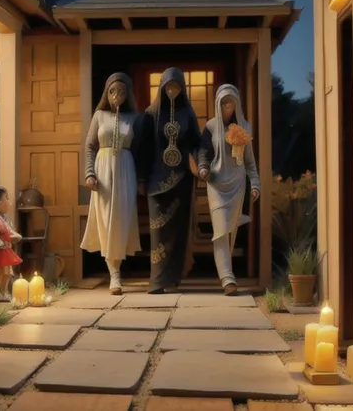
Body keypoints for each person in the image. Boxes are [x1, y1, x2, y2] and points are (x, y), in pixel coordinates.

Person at [143, 67, 206, 294]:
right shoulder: (151, 114)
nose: (172, 91)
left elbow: (198, 143)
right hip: (156, 182)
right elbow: (144, 148)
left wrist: (199, 163)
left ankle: (173, 279)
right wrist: (142, 178)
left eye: (176, 87)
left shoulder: (188, 114)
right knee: (158, 231)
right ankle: (157, 281)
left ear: (182, 89)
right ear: (161, 87)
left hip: (181, 180)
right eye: (168, 87)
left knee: (178, 233)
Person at [81, 73, 143, 295]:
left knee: (122, 220)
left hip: (126, 169)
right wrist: (89, 173)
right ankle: (114, 274)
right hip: (103, 169)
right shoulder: (99, 115)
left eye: (122, 91)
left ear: (128, 95)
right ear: (107, 93)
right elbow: (89, 146)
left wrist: (141, 180)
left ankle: (118, 267)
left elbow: (139, 151)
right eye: (113, 91)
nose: (117, 95)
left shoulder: (134, 118)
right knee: (106, 219)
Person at [198, 83, 260, 296]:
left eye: (231, 103)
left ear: (237, 104)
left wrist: (256, 183)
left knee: (230, 231)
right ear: (217, 103)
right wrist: (203, 168)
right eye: (224, 102)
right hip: (216, 184)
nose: (227, 107)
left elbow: (250, 161)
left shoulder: (245, 127)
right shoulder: (210, 127)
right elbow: (204, 151)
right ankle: (227, 278)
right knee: (220, 231)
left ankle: (227, 272)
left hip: (237, 184)